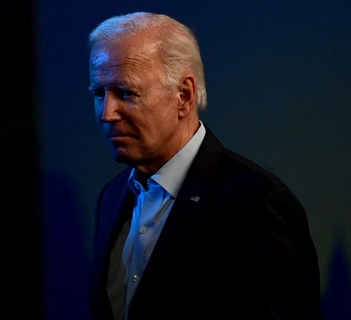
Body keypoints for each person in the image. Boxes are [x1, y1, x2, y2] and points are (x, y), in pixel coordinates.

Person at [87, 11, 322, 320]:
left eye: (127, 93)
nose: (107, 114)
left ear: (184, 95)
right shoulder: (113, 196)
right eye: (99, 93)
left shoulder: (257, 203)